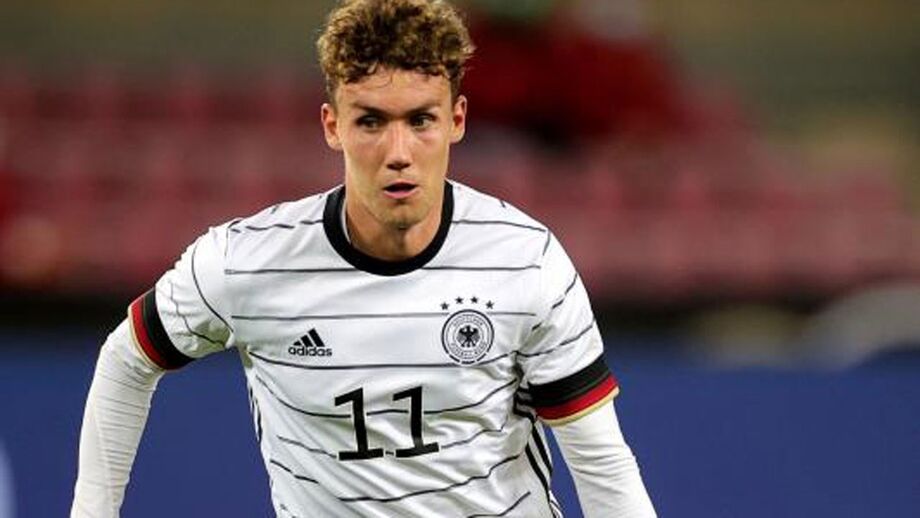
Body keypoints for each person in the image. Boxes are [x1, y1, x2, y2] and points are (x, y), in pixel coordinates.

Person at [70, 0, 657, 516]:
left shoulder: (526, 262)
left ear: (457, 120)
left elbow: (601, 462)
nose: (398, 152)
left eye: (421, 120)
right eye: (371, 121)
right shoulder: (245, 264)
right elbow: (126, 360)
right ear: (333, 126)